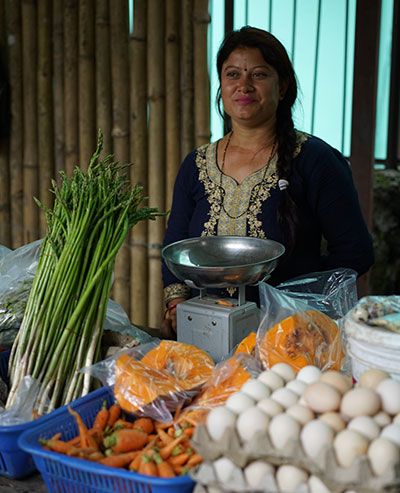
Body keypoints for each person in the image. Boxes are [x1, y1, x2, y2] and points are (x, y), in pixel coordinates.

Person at [161, 26, 374, 336]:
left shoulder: (315, 160)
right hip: (203, 333)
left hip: (287, 339)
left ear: (283, 85)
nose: (243, 86)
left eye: (259, 75)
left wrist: (299, 308)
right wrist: (176, 303)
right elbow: (175, 244)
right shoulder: (195, 165)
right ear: (221, 84)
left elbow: (356, 252)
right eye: (232, 74)